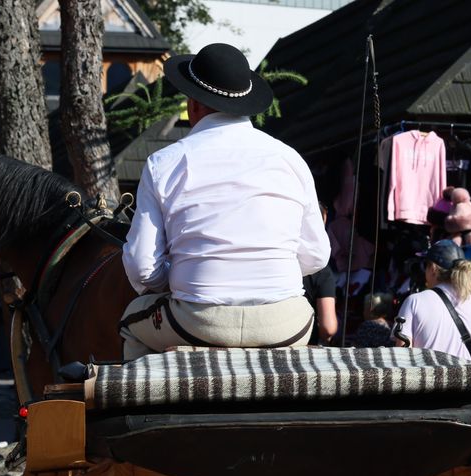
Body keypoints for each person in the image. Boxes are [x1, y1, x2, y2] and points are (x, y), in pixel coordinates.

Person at [120, 43, 330, 360]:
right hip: (287, 322)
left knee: (131, 320)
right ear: (246, 102)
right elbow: (316, 256)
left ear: (193, 105)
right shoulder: (291, 159)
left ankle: (143, 406)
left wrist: (180, 277)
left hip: (200, 321)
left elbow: (141, 268)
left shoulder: (164, 163)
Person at [393, 240, 471, 362]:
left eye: (425, 265)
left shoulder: (414, 301)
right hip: (470, 381)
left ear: (433, 268)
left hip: (428, 380)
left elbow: (401, 357)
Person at [303, 264, 338, 345]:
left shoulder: (273, 265)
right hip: (306, 344)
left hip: (270, 338)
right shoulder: (322, 271)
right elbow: (328, 328)